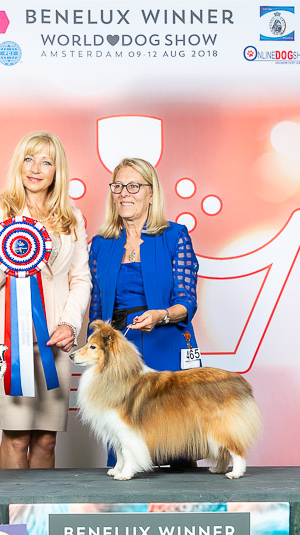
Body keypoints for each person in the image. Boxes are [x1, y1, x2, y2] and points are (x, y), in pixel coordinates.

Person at [0, 131, 91, 469]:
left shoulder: (72, 217)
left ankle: (40, 505)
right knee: (17, 436)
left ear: (57, 171)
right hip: (12, 341)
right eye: (29, 159)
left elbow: (81, 279)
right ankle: (13, 505)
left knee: (46, 438)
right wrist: (10, 255)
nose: (35, 169)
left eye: (46, 162)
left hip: (57, 340)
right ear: (18, 164)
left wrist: (70, 324)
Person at [89, 157, 200, 466]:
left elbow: (187, 301)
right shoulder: (100, 244)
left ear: (152, 193)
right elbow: (97, 307)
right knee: (124, 442)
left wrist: (161, 314)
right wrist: (95, 352)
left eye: (134, 186)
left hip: (166, 344)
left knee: (177, 445)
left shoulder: (175, 236)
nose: (124, 193)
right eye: (118, 186)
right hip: (120, 353)